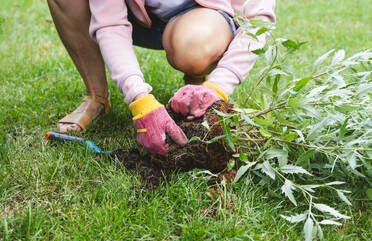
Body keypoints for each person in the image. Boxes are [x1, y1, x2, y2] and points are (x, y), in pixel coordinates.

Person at [47, 0, 275, 156]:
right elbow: (110, 23)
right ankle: (96, 96)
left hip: (204, 20)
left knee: (192, 47)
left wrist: (219, 86)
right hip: (137, 19)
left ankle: (199, 79)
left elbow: (258, 19)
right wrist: (139, 97)